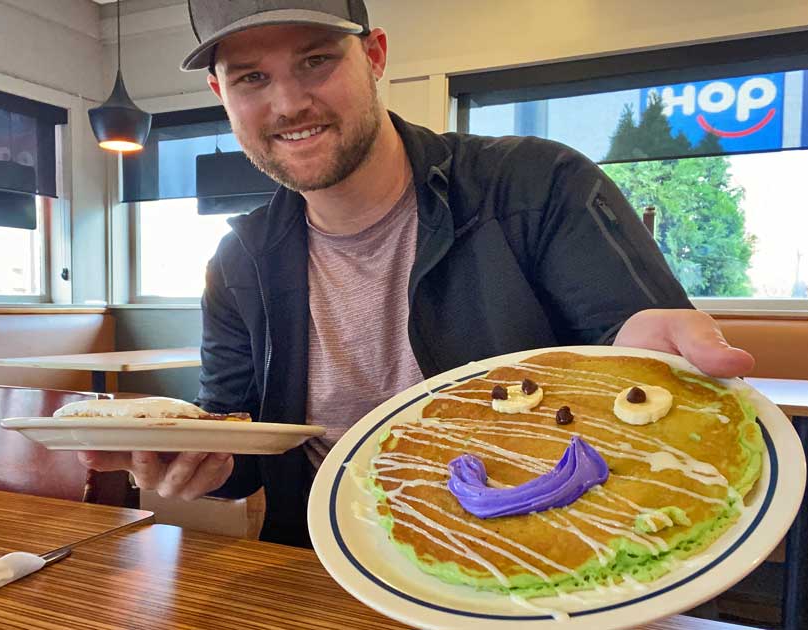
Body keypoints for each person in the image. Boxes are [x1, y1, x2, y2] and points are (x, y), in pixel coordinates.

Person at [82, 0, 755, 547]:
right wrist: (203, 464)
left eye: (316, 60)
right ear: (219, 93)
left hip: (535, 550)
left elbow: (631, 356)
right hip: (323, 562)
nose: (287, 104)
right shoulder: (239, 264)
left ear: (374, 56)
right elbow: (246, 449)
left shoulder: (537, 185)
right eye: (251, 77)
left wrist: (648, 339)